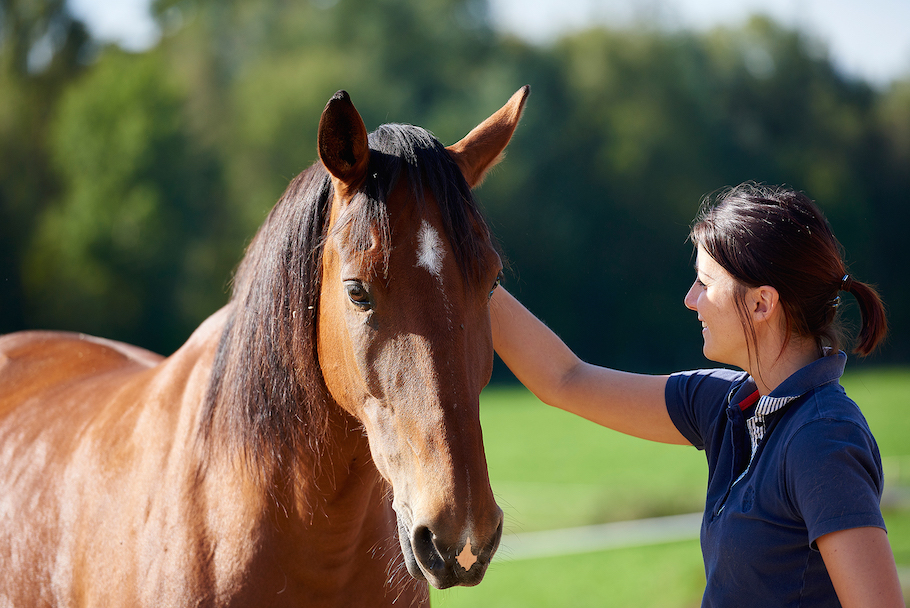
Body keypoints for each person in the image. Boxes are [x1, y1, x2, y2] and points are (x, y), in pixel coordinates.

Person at [490, 183, 904, 607]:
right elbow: (565, 380)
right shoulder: (723, 404)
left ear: (763, 303)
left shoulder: (824, 438)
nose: (691, 300)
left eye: (705, 283)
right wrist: (470, 270)